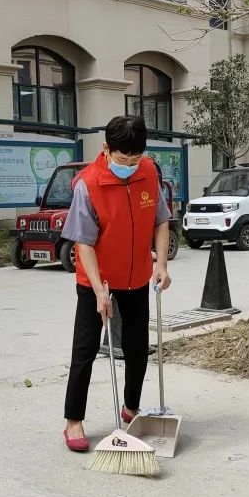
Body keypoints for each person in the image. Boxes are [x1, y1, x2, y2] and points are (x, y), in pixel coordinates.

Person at [60, 115, 172, 452]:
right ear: (106, 149)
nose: (130, 166)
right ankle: (74, 420)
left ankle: (131, 408)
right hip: (98, 279)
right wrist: (98, 291)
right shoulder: (89, 183)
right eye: (123, 159)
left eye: (136, 159)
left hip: (136, 276)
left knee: (137, 348)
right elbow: (83, 242)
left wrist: (161, 264)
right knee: (85, 349)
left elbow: (161, 220)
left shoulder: (148, 171)